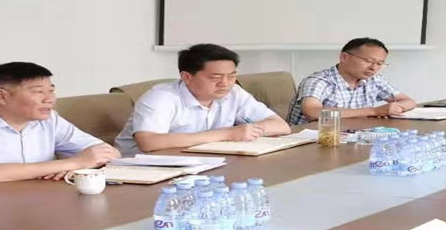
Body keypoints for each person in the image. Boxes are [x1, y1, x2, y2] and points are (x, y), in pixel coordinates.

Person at [0, 62, 119, 194]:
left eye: (51, 91)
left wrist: (79, 166)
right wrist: (74, 163)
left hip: (27, 197)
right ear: (2, 96)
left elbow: (110, 153)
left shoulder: (49, 119)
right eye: (38, 92)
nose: (49, 99)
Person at [115, 44, 289, 156]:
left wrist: (249, 131)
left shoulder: (234, 93)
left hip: (199, 163)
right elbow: (149, 142)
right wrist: (228, 134)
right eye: (215, 77)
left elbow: (281, 126)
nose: (225, 83)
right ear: (186, 77)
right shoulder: (161, 97)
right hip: (142, 170)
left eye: (231, 76)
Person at [287, 38, 418, 125]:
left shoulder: (374, 80)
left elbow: (409, 101)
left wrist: (393, 109)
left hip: (350, 136)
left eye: (379, 64)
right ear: (344, 57)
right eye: (368, 61)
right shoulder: (319, 80)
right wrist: (374, 111)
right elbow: (312, 112)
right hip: (312, 141)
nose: (374, 68)